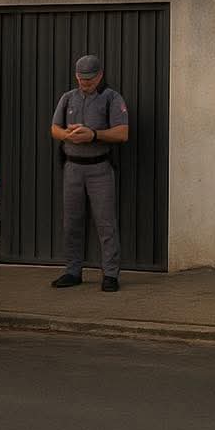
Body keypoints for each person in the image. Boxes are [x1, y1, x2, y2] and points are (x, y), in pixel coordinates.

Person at [50, 55, 129, 292]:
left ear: (100, 75)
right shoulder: (67, 98)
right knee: (71, 222)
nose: (85, 83)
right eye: (81, 78)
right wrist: (68, 135)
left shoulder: (112, 98)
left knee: (106, 223)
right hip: (72, 168)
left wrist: (93, 135)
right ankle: (73, 271)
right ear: (76, 76)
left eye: (89, 79)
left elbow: (123, 133)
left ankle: (111, 275)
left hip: (100, 169)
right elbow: (54, 128)